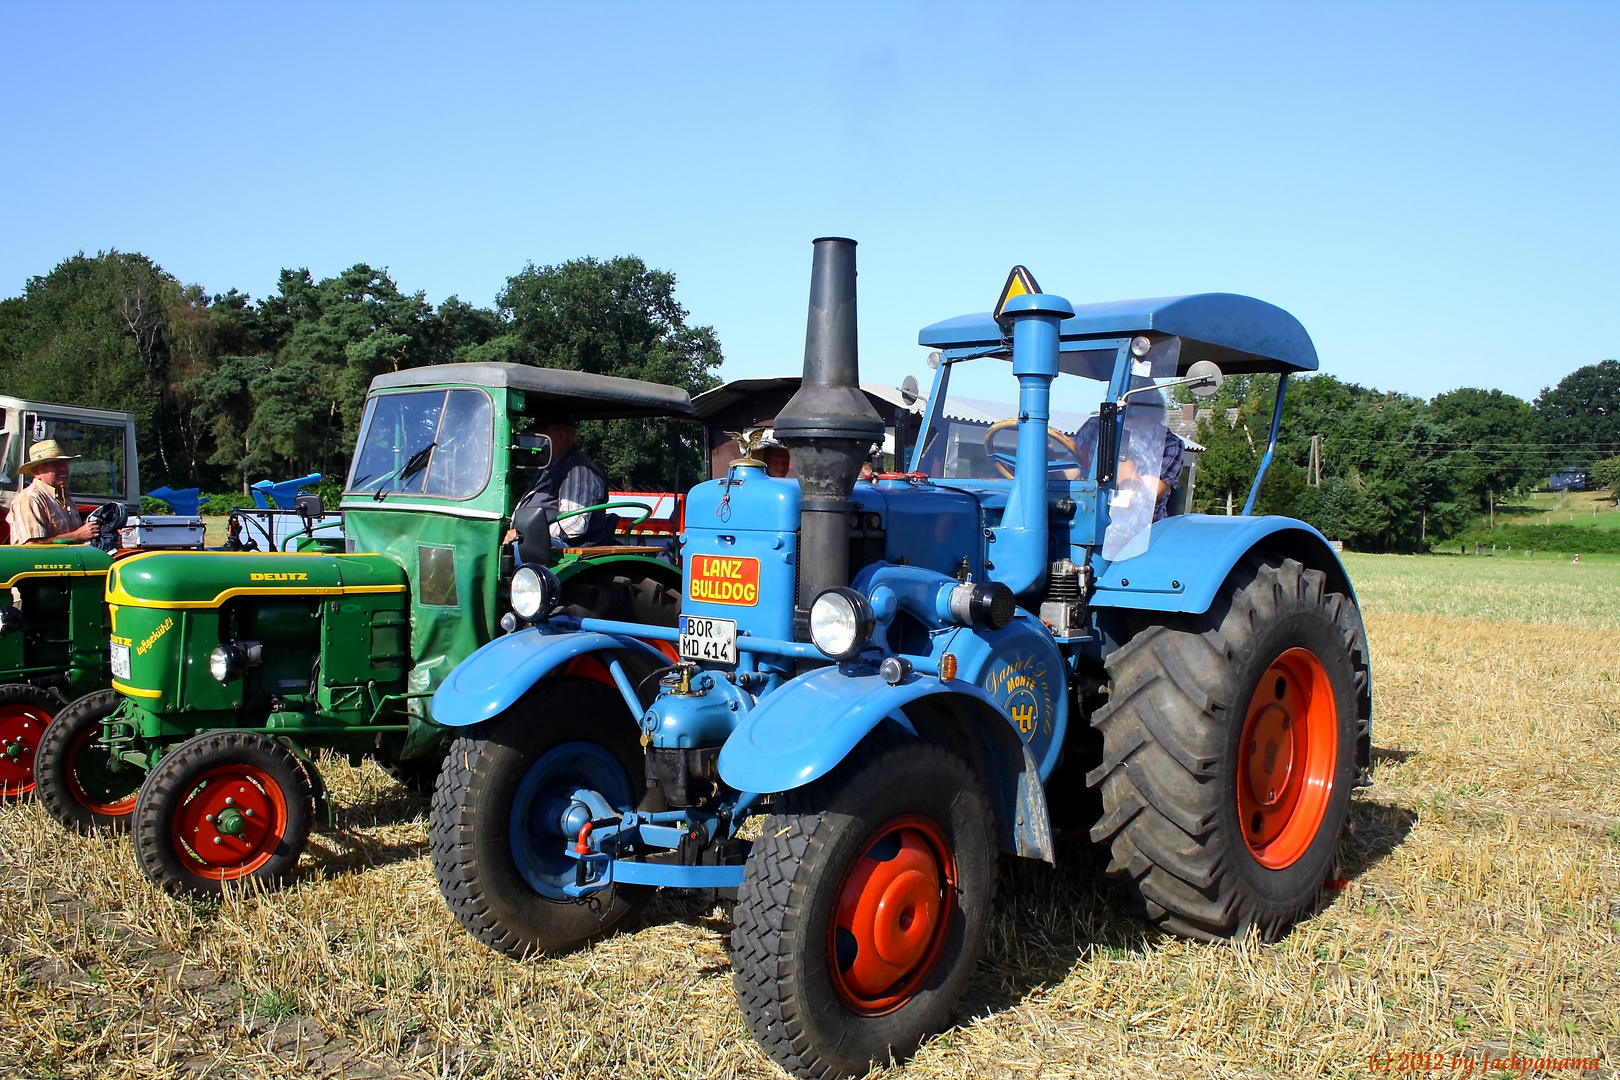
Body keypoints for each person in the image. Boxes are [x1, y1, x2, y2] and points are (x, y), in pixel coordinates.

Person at [513, 411, 615, 546]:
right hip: (539, 546)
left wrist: (524, 535)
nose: (535, 445)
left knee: (510, 553)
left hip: (562, 549)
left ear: (560, 436)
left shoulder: (577, 470)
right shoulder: (550, 468)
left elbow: (574, 524)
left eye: (539, 438)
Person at [7, 440, 98, 545]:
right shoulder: (30, 498)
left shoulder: (63, 496)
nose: (64, 469)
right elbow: (31, 546)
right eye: (55, 465)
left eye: (65, 464)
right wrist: (78, 535)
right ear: (37, 472)